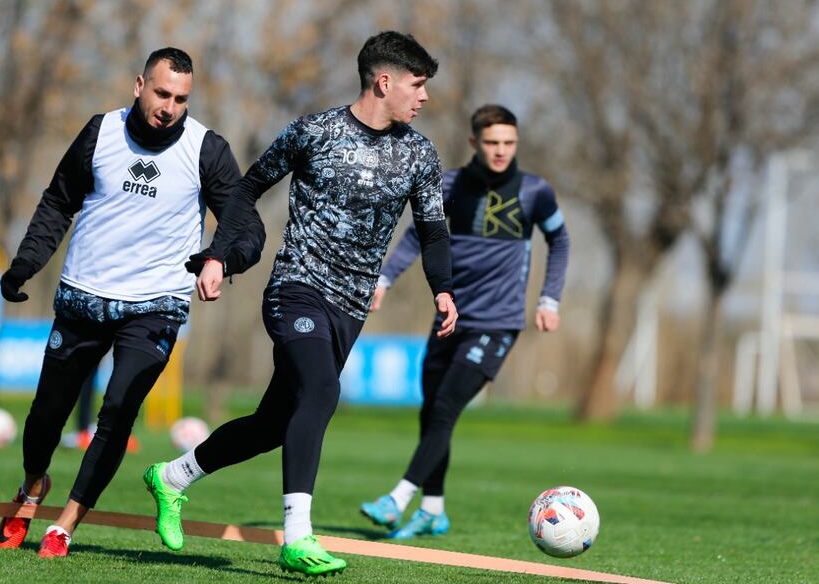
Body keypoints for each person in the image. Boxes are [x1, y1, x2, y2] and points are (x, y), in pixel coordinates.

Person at [142, 31, 458, 577]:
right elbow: (246, 190)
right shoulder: (315, 132)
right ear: (385, 82)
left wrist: (443, 288)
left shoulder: (419, 152)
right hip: (296, 289)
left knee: (272, 425)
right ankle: (298, 537)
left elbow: (433, 232)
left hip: (351, 308)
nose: (423, 97)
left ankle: (171, 479)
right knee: (321, 389)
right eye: (417, 84)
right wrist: (218, 256)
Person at [0, 47, 264, 558]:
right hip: (82, 297)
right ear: (139, 85)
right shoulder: (100, 132)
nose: (170, 106)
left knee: (118, 409)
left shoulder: (207, 148)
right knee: (46, 416)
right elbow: (58, 200)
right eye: (162, 93)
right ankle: (33, 486)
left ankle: (66, 524)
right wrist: (25, 263)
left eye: (181, 98)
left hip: (155, 306)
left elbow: (247, 225)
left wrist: (221, 261)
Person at [359, 104, 570, 540]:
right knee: (432, 412)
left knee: (447, 407)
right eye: (492, 143)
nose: (500, 151)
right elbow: (419, 235)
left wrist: (549, 297)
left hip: (499, 322)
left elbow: (560, 239)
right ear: (475, 142)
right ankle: (433, 510)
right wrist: (384, 278)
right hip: (450, 317)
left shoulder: (535, 191)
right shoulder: (450, 184)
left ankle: (398, 498)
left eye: (509, 143)